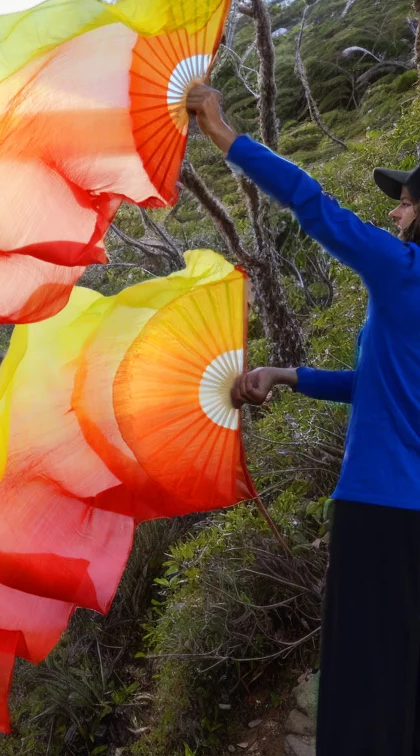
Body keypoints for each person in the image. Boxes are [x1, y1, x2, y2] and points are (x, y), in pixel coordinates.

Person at [185, 82, 420, 755]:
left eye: (407, 197)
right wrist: (289, 375)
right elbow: (382, 387)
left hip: (380, 508)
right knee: (404, 677)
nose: (398, 207)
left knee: (363, 680)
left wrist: (225, 134)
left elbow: (315, 206)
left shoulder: (404, 271)